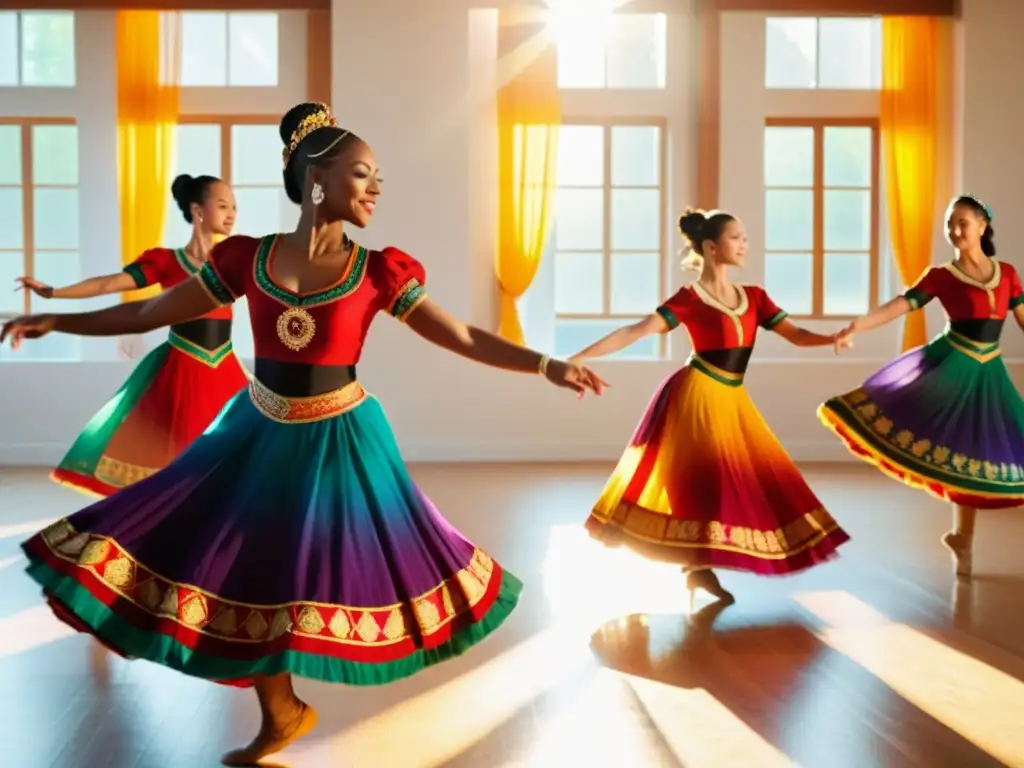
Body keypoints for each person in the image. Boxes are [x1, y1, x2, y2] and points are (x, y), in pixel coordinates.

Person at [2, 102, 607, 765]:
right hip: (258, 427)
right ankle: (281, 710)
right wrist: (59, 322)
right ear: (317, 179)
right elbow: (149, 310)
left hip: (342, 434)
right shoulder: (243, 260)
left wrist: (547, 364)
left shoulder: (380, 271)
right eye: (362, 175)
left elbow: (460, 335)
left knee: (319, 571)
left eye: (378, 178)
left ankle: (285, 707)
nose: (376, 189)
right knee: (250, 567)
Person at [568, 208, 851, 609]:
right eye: (736, 237)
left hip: (732, 398)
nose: (744, 244)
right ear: (710, 247)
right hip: (695, 395)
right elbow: (637, 329)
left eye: (744, 237)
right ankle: (695, 567)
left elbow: (796, 335)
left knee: (752, 478)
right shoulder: (689, 299)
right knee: (702, 483)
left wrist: (831, 339)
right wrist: (577, 358)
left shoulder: (755, 297)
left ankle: (696, 568)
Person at [820, 194, 1024, 578]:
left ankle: (962, 537)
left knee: (978, 455)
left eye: (962, 222)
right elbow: (900, 305)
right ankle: (963, 537)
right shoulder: (941, 275)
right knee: (955, 444)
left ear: (983, 224)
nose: (955, 230)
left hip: (989, 372)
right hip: (951, 365)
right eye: (950, 224)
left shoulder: (1009, 274)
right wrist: (855, 327)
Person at [12, 174, 248, 497]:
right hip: (182, 368)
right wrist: (54, 293)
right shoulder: (166, 261)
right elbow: (109, 284)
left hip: (224, 367)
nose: (232, 213)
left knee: (234, 461)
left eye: (234, 207)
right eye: (223, 205)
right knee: (178, 464)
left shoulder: (230, 261)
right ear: (198, 211)